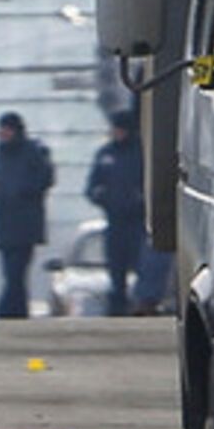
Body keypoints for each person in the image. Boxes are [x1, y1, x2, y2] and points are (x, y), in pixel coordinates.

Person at [0, 111, 54, 319]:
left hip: (26, 223)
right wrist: (0, 193)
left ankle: (6, 310)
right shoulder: (1, 153)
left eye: (6, 129)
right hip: (5, 222)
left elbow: (44, 179)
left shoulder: (32, 152)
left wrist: (21, 192)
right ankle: (17, 311)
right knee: (10, 272)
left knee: (17, 271)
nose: (2, 133)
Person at [84, 110, 146, 316]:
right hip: (114, 220)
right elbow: (92, 186)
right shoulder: (105, 154)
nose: (116, 133)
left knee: (142, 264)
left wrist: (139, 200)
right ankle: (117, 304)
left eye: (119, 129)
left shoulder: (141, 153)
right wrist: (101, 197)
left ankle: (141, 303)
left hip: (138, 222)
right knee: (116, 266)